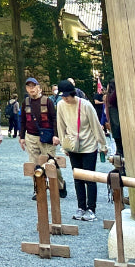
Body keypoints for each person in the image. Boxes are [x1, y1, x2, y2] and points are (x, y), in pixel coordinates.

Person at [55, 78, 107, 222]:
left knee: (90, 178)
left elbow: (95, 125)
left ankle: (91, 208)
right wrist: (64, 144)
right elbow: (61, 126)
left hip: (88, 145)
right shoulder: (60, 105)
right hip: (73, 145)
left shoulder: (85, 105)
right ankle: (81, 207)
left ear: (72, 93)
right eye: (63, 96)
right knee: (77, 178)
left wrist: (102, 145)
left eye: (67, 95)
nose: (65, 98)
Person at [17, 77, 65, 200]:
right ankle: (38, 188)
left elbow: (54, 118)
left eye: (34, 86)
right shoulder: (25, 102)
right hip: (31, 136)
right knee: (35, 165)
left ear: (39, 88)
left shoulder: (47, 101)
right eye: (29, 86)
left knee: (52, 163)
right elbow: (22, 120)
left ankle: (60, 185)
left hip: (47, 137)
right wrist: (22, 137)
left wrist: (56, 135)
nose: (31, 89)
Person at [104, 81, 123, 160]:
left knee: (118, 143)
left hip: (117, 125)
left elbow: (111, 101)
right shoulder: (110, 97)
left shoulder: (111, 97)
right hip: (115, 123)